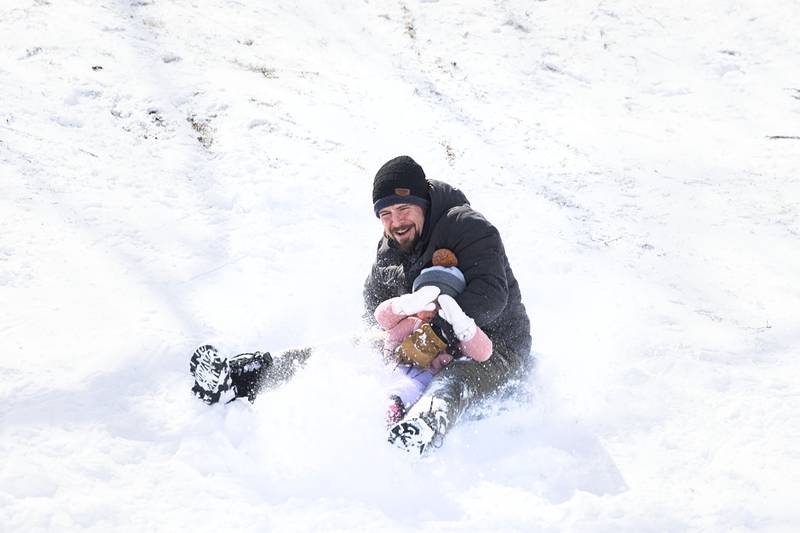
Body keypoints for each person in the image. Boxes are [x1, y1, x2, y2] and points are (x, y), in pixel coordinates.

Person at [364, 155, 532, 454]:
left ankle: (421, 427)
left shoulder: (467, 227)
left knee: (455, 379)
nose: (395, 222)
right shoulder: (390, 247)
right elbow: (374, 303)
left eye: (403, 209)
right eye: (385, 214)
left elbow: (491, 295)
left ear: (423, 204)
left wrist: (438, 333)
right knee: (361, 346)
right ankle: (267, 369)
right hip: (424, 339)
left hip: (494, 346)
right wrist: (398, 333)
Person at [375, 256, 493, 424]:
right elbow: (383, 320)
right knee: (386, 380)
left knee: (413, 388)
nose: (432, 311)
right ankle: (385, 404)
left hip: (426, 376)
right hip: (396, 365)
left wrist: (463, 327)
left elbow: (483, 352)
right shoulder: (412, 322)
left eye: (439, 306)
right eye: (427, 303)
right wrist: (401, 306)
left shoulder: (452, 334)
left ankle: (396, 408)